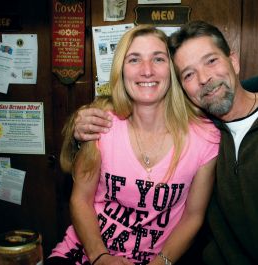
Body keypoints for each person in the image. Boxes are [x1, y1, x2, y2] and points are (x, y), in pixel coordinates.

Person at [72, 21, 258, 264]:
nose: (204, 79)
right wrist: (83, 125)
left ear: (234, 61)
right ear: (182, 88)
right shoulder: (206, 132)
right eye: (188, 74)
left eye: (211, 61)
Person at [47, 25, 220, 265]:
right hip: (84, 253)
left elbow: (193, 216)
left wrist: (160, 263)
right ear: (121, 70)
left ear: (172, 70)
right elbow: (80, 200)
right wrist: (100, 257)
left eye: (158, 59)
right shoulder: (100, 122)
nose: (146, 71)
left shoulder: (205, 138)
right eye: (134, 59)